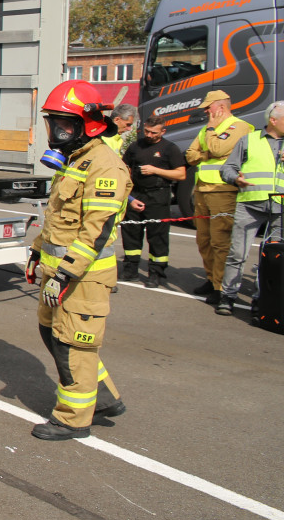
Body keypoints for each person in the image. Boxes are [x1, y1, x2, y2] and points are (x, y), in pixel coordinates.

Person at [26, 81, 129, 440]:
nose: (56, 132)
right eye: (53, 123)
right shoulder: (75, 161)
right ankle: (103, 398)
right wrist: (37, 251)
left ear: (90, 124)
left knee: (73, 347)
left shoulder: (105, 166)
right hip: (56, 273)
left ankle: (73, 419)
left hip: (82, 279)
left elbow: (94, 232)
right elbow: (58, 219)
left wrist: (65, 274)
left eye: (64, 125)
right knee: (51, 333)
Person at [184, 90, 253, 304]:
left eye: (208, 107)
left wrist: (211, 138)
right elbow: (190, 155)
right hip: (203, 190)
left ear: (220, 107)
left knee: (220, 241)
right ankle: (211, 277)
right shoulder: (208, 128)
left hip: (223, 191)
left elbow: (219, 147)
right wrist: (209, 153)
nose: (206, 111)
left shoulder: (239, 126)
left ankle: (221, 286)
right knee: (203, 240)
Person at [216, 101, 284, 316]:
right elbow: (227, 168)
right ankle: (228, 297)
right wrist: (235, 178)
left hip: (280, 209)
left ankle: (263, 299)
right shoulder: (249, 140)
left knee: (273, 259)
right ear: (273, 121)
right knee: (238, 253)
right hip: (250, 205)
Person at [120, 113, 186, 288]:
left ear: (163, 131)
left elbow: (181, 174)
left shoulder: (169, 149)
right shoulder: (135, 146)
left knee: (158, 236)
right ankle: (130, 269)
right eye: (147, 132)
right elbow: (124, 166)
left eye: (154, 133)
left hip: (158, 195)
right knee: (131, 233)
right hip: (136, 194)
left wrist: (156, 170)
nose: (149, 135)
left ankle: (156, 273)